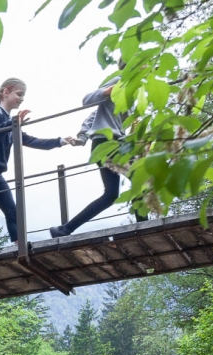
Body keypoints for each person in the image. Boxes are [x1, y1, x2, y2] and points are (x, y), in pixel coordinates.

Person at [0, 78, 80, 254]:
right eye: (19, 94)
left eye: (23, 96)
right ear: (5, 92)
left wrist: (61, 141)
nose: (21, 99)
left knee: (13, 211)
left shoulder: (10, 122)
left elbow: (31, 140)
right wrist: (12, 123)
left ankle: (19, 246)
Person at [50, 78, 145, 237]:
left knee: (111, 195)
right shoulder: (121, 80)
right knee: (140, 179)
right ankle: (144, 227)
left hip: (112, 143)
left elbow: (97, 115)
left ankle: (64, 230)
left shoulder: (135, 93)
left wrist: (82, 137)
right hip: (107, 143)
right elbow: (87, 100)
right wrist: (108, 91)